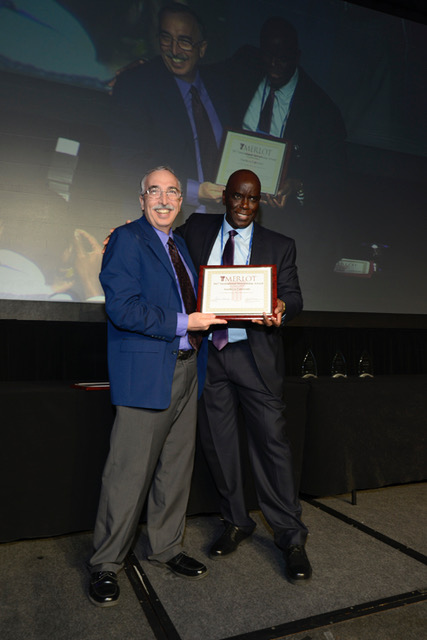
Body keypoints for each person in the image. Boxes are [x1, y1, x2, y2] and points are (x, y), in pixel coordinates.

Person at [87, 165, 226, 607]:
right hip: (147, 375)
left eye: (171, 192)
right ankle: (106, 564)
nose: (164, 200)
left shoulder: (180, 244)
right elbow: (123, 310)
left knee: (175, 469)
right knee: (127, 475)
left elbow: (190, 301)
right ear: (141, 198)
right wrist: (188, 322)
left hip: (186, 369)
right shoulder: (127, 240)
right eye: (155, 192)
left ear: (180, 201)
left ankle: (166, 548)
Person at [176, 169, 312, 583]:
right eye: (238, 198)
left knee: (272, 446)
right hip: (210, 357)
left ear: (260, 203)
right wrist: (124, 232)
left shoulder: (279, 245)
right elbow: (161, 246)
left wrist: (280, 308)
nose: (244, 207)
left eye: (252, 200)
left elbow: (293, 296)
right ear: (226, 197)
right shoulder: (197, 228)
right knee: (219, 445)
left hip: (255, 358)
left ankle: (290, 537)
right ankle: (236, 521)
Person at [111, 2, 231, 216]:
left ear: (202, 48)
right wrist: (195, 191)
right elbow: (127, 164)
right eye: (166, 39)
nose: (174, 50)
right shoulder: (135, 86)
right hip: (168, 224)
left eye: (185, 41)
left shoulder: (223, 85)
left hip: (223, 227)